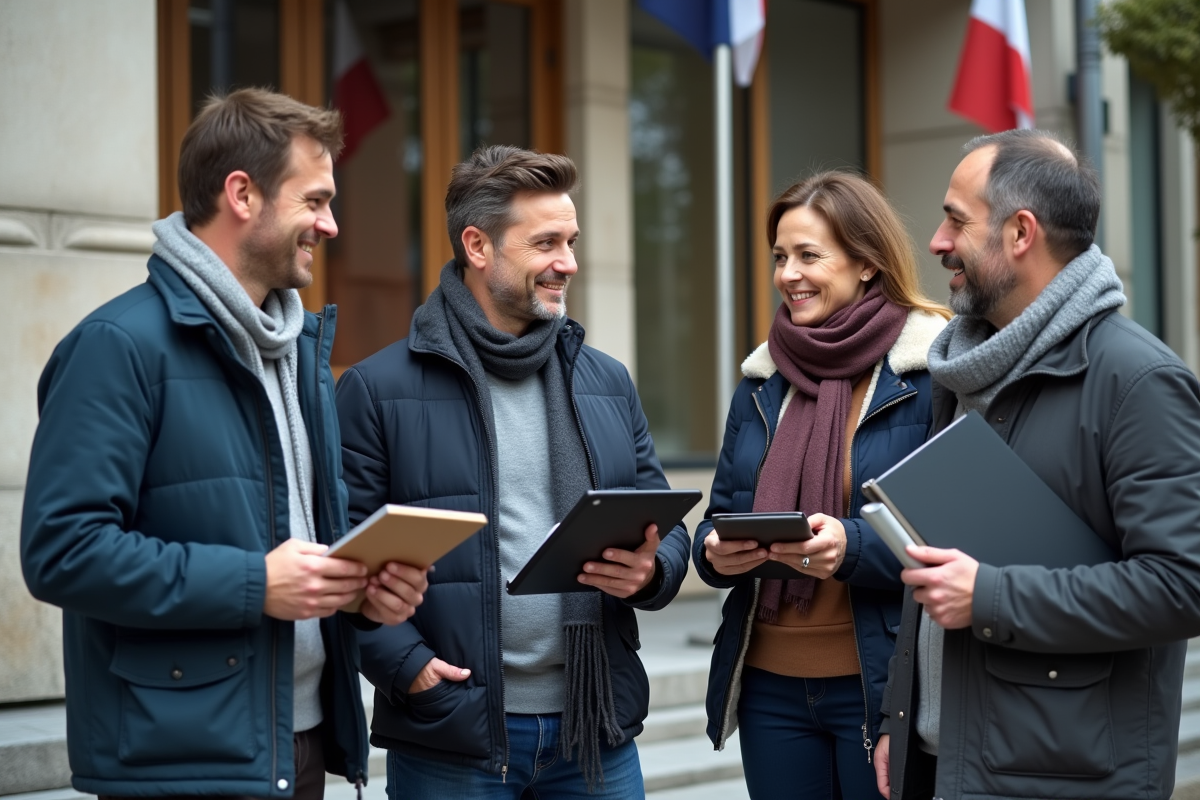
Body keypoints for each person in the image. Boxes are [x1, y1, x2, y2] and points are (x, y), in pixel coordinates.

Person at [20, 88, 429, 800]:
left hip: (293, 747)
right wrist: (254, 585)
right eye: (315, 200)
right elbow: (62, 552)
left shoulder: (299, 352)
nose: (330, 225)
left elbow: (289, 551)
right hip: (180, 760)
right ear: (242, 194)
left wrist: (361, 593)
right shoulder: (115, 348)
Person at [334, 144, 691, 799]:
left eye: (573, 241)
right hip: (454, 736)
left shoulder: (606, 380)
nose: (569, 264)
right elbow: (344, 559)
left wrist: (652, 569)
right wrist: (407, 667)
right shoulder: (374, 389)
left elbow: (663, 523)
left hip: (596, 731)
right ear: (478, 246)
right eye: (547, 243)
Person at [872, 129, 1200, 800]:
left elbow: (1183, 585)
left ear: (1021, 233)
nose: (935, 242)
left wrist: (990, 596)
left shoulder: (1138, 381)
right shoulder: (962, 370)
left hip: (1066, 777)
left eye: (955, 220)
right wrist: (897, 720)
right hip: (948, 765)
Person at [693, 171, 950, 799]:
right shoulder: (761, 380)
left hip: (880, 684)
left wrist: (850, 547)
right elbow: (720, 516)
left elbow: (955, 534)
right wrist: (715, 554)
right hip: (768, 687)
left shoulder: (932, 372)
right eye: (781, 256)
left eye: (809, 255)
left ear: (865, 263)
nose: (788, 274)